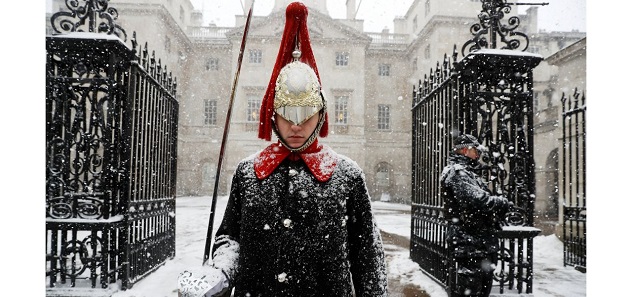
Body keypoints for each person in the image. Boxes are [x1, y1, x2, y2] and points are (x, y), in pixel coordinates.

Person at [178, 2, 388, 296]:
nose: (296, 126)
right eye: (287, 114)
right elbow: (230, 238)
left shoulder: (348, 176)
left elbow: (367, 257)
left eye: (306, 115)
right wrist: (219, 272)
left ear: (321, 115)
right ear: (272, 114)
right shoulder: (248, 171)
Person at [440, 134, 512, 297]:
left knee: (480, 290)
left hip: (478, 242)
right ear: (465, 150)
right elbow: (478, 201)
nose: (478, 154)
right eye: (475, 150)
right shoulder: (458, 173)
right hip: (470, 243)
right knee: (472, 291)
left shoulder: (467, 172)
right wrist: (502, 203)